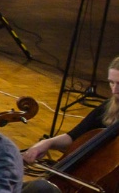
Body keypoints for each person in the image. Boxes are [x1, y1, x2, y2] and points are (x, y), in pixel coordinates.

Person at [21, 56, 119, 193]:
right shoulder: (108, 108)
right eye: (111, 83)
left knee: (42, 189)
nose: (114, 90)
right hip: (75, 184)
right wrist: (47, 143)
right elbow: (73, 137)